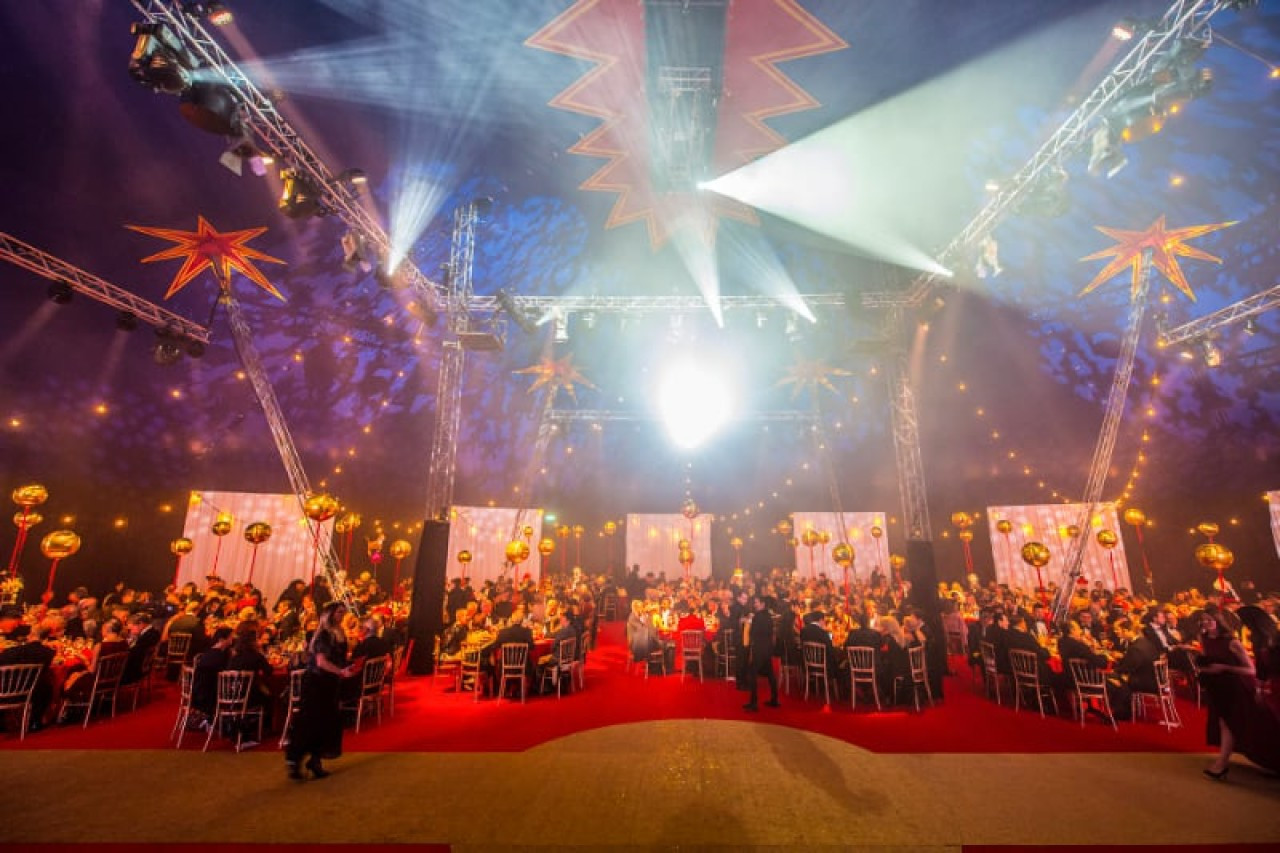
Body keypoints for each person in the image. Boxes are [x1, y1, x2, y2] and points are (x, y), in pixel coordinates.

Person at [1198, 608, 1280, 779]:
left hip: (1236, 687)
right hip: (1217, 687)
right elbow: (1209, 661)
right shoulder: (1203, 638)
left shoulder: (1232, 642)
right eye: (1203, 620)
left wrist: (1225, 668)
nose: (1205, 623)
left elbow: (1250, 669)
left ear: (1218, 621)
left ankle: (1221, 765)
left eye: (1209, 620)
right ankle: (1221, 764)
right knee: (1225, 724)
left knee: (1232, 724)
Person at [286, 601, 355, 780]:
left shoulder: (338, 632)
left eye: (343, 613)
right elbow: (321, 662)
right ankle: (295, 760)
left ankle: (315, 760)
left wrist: (346, 668)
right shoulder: (324, 635)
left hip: (331, 682)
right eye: (339, 613)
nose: (342, 616)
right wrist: (341, 671)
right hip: (317, 682)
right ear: (330, 614)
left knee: (327, 722)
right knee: (310, 721)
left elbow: (337, 658)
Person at [742, 595, 780, 712]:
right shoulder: (769, 616)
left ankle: (754, 703)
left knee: (753, 674)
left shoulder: (757, 616)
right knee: (770, 674)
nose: (755, 604)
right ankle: (774, 699)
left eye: (757, 602)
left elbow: (753, 633)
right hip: (768, 648)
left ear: (762, 604)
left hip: (759, 648)